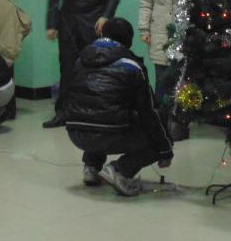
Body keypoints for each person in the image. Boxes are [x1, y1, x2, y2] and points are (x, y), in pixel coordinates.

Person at [61, 17, 173, 196]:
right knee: (152, 131)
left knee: (97, 110)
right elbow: (148, 112)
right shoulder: (132, 66)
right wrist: (165, 148)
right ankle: (120, 170)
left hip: (75, 132)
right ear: (128, 41)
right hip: (109, 133)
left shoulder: (80, 60)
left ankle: (91, 167)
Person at [44, 0, 119, 128]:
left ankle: (93, 112)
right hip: (68, 24)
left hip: (93, 23)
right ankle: (63, 113)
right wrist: (52, 24)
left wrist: (105, 17)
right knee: (67, 69)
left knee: (94, 68)